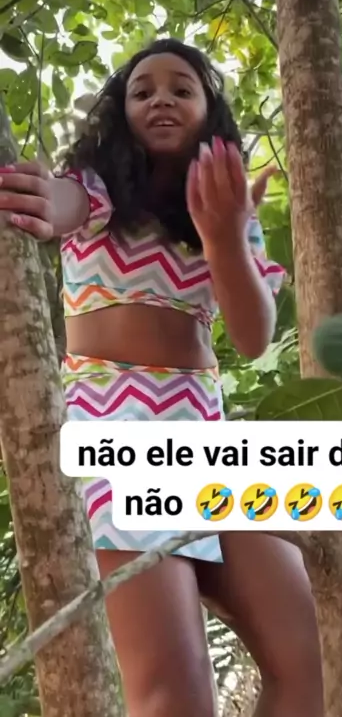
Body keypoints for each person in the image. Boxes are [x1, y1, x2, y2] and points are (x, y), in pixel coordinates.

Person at [0, 39, 323, 717]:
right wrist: (37, 197)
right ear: (120, 113)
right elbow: (61, 203)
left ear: (210, 113)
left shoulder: (230, 213)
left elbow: (253, 335)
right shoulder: (99, 188)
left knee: (313, 656)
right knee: (177, 696)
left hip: (204, 434)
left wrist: (226, 235)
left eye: (182, 88)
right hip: (115, 430)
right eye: (142, 91)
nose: (161, 100)